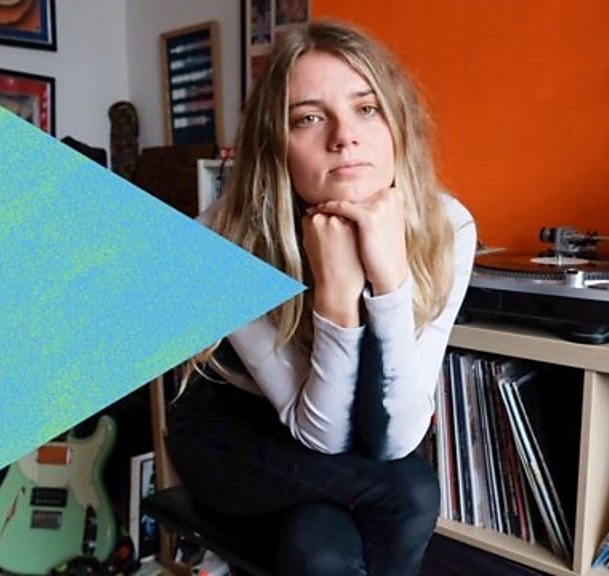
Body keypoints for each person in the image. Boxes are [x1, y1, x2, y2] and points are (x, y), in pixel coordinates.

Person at [166, 19, 476, 576]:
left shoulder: (447, 225)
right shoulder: (221, 241)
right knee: (408, 493)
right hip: (233, 438)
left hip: (352, 444)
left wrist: (390, 279)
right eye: (308, 118)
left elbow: (398, 436)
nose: (344, 137)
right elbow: (322, 434)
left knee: (319, 548)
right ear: (275, 145)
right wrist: (336, 292)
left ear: (397, 123)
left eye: (367, 108)